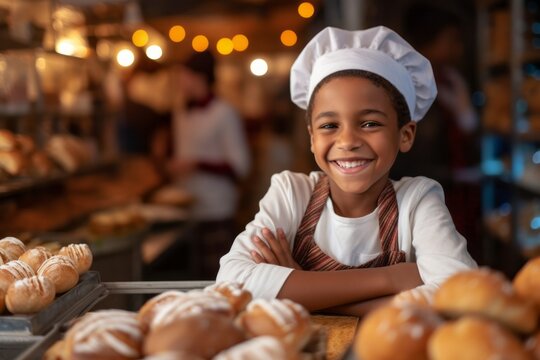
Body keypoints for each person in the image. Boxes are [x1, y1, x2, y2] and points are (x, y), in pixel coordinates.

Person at [216, 26, 477, 316]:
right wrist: (391, 279)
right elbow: (232, 281)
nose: (348, 141)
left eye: (369, 123)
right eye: (329, 126)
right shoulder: (292, 193)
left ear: (405, 135)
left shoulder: (417, 201)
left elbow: (459, 296)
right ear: (312, 138)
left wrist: (304, 289)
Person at [391, 2, 481, 259]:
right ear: (428, 41)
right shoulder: (407, 91)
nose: (459, 49)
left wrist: (468, 119)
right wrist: (457, 176)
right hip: (432, 199)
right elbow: (406, 161)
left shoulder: (451, 81)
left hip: (457, 198)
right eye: (452, 39)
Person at [164, 50, 251, 279]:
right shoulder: (181, 111)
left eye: (184, 76)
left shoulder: (225, 114)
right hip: (186, 210)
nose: (180, 82)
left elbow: (241, 166)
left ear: (199, 77)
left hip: (217, 210)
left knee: (219, 278)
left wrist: (197, 164)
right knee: (191, 279)